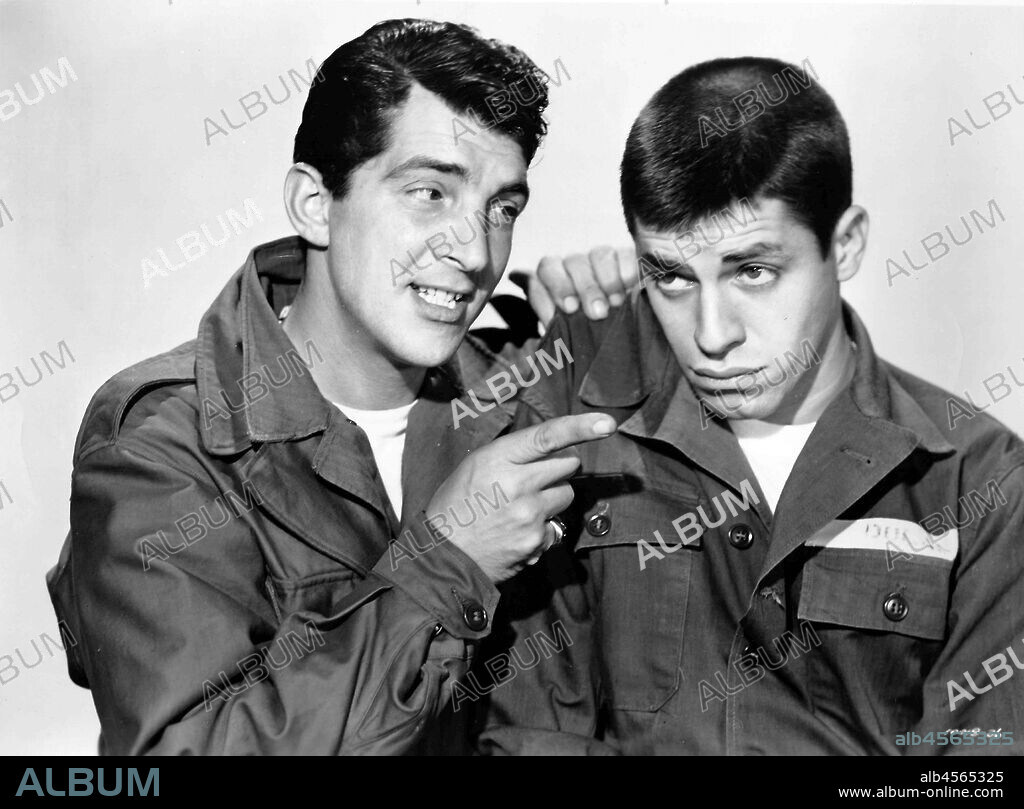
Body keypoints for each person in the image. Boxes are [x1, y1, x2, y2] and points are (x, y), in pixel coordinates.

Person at [45, 18, 619, 755]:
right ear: (314, 204)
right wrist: (445, 563)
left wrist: (640, 313)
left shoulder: (529, 401)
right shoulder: (163, 444)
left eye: (502, 208)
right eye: (428, 192)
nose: (476, 250)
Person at [478, 57, 1024, 755]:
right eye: (671, 278)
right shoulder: (571, 433)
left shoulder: (981, 480)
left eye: (753, 271)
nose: (712, 334)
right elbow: (523, 740)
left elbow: (978, 773)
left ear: (846, 243)